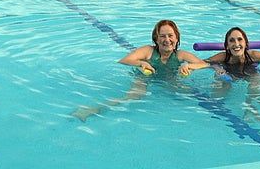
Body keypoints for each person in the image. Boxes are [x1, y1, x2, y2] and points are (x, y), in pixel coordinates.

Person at [71, 19, 209, 121]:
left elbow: (204, 64)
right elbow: (124, 60)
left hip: (168, 78)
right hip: (144, 77)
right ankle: (91, 109)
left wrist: (189, 66)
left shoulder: (180, 55)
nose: (167, 40)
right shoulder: (148, 51)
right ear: (156, 39)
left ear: (177, 38)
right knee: (135, 95)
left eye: (170, 35)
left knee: (185, 93)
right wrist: (141, 63)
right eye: (162, 36)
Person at [204, 26, 260, 121]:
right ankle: (218, 109)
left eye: (240, 39)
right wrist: (217, 68)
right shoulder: (223, 57)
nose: (236, 44)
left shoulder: (254, 55)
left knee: (255, 84)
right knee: (220, 87)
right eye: (232, 40)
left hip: (251, 72)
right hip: (229, 74)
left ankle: (250, 107)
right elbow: (204, 62)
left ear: (246, 43)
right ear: (227, 46)